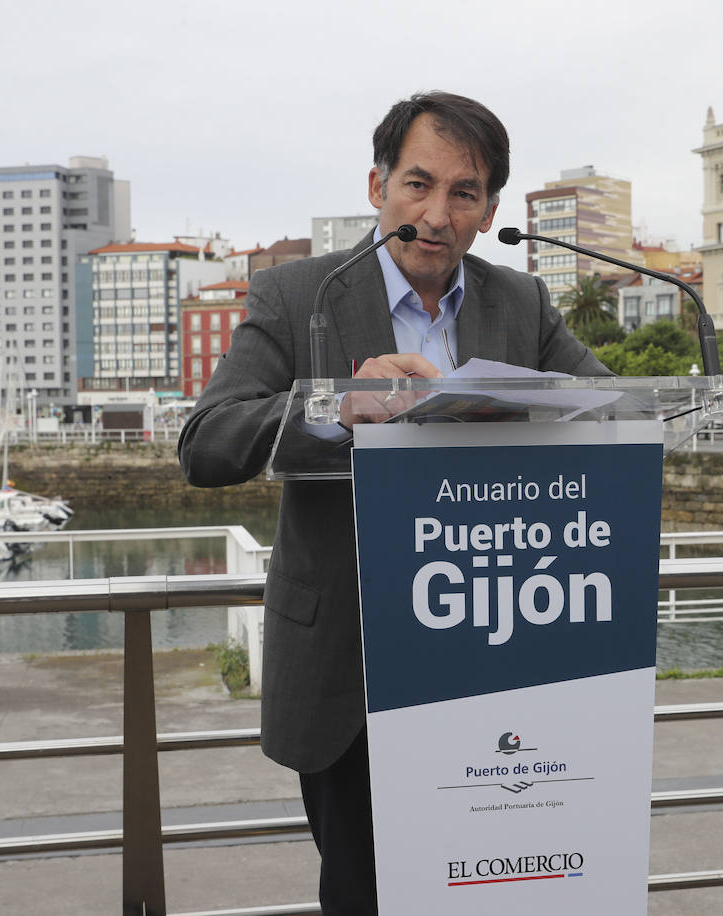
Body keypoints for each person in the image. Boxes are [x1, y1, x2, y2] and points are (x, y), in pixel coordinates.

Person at [177, 91, 608, 915]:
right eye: (418, 184)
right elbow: (206, 443)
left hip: (494, 662)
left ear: (489, 211)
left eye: (464, 193)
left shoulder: (522, 302)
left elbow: (607, 406)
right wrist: (339, 406)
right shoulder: (295, 295)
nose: (436, 213)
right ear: (376, 185)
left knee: (494, 893)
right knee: (367, 895)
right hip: (354, 673)